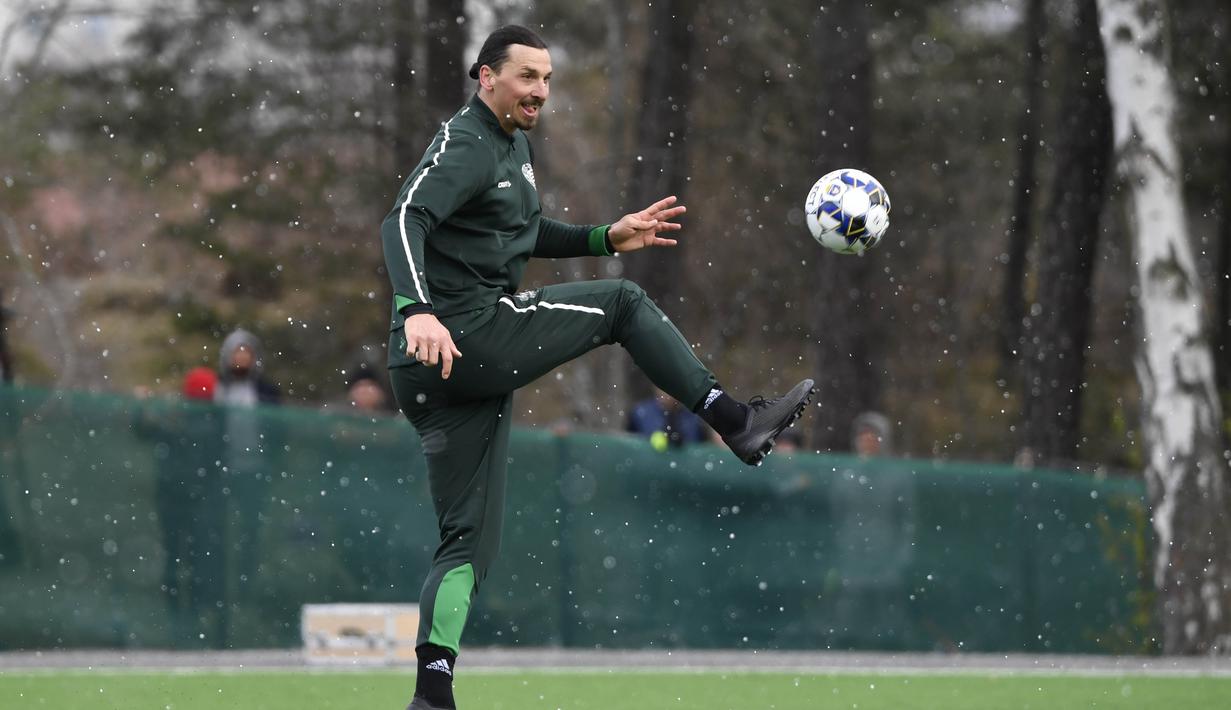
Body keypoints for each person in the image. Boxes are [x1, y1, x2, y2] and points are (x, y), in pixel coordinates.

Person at [380, 26, 815, 710]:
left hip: (434, 368)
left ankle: (431, 694)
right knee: (621, 302)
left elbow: (521, 232)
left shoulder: (510, 146)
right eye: (526, 76)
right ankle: (734, 421)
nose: (540, 91)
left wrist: (599, 236)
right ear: (484, 77)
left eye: (547, 78)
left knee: (466, 545)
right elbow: (402, 218)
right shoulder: (465, 141)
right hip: (459, 334)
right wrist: (416, 308)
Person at [626, 387, 707, 450]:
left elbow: (704, 449)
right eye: (664, 386)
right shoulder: (640, 413)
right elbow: (628, 443)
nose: (668, 393)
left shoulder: (694, 417)